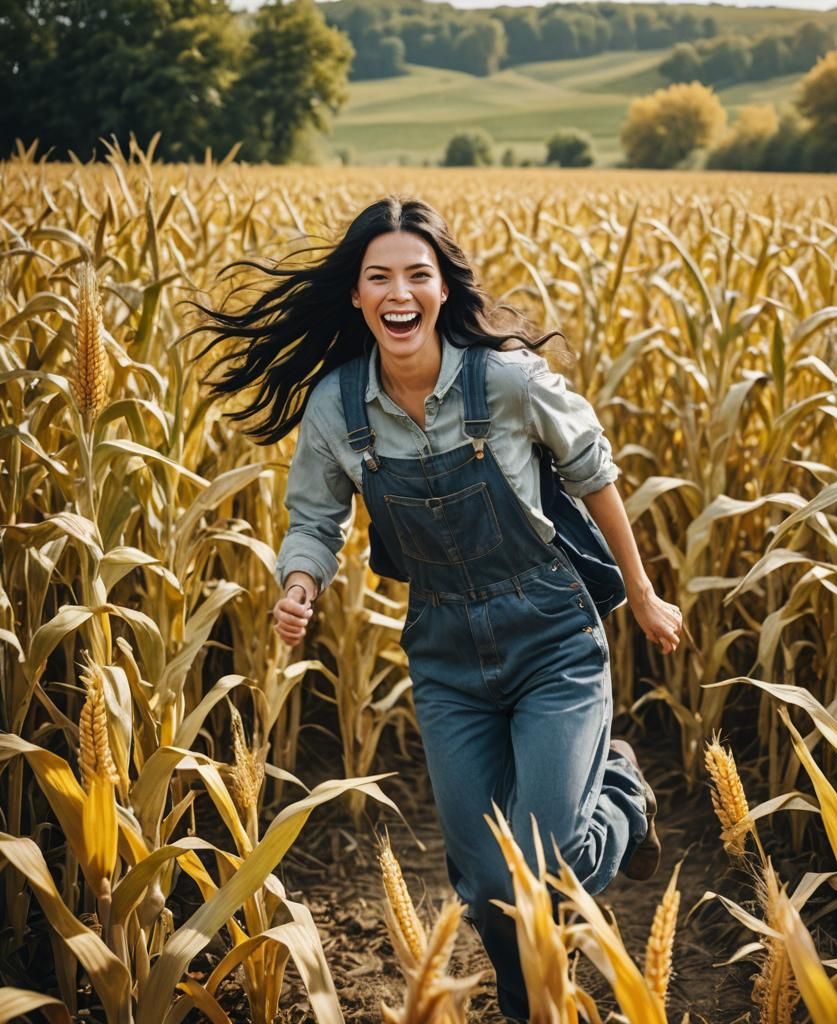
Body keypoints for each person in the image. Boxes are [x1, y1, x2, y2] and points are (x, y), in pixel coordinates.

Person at [192, 195, 683, 1021]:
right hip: (448, 655)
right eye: (379, 277)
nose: (400, 292)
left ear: (443, 289)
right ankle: (532, 1009)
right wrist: (299, 584)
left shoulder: (506, 381)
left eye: (417, 275)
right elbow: (315, 519)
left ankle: (623, 795)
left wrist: (641, 590)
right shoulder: (337, 407)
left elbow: (593, 472)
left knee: (547, 865)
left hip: (552, 638)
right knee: (488, 882)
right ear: (357, 295)